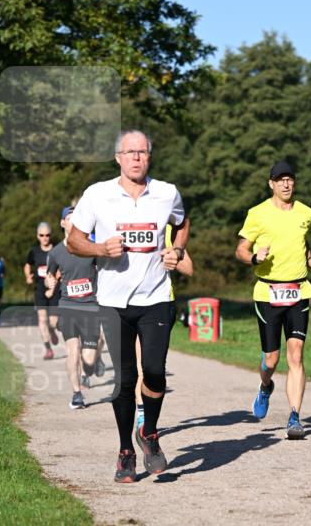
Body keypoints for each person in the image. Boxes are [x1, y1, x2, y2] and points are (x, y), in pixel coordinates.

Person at [68, 130, 189, 482]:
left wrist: (177, 251)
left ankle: (148, 432)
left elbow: (182, 224)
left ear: (149, 157)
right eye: (129, 152)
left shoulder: (166, 193)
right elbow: (74, 240)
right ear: (118, 157)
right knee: (125, 379)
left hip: (155, 297)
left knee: (153, 371)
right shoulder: (98, 194)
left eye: (142, 152)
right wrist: (99, 250)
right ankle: (125, 452)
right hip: (112, 301)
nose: (136, 158)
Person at [235, 159, 311, 439]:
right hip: (268, 292)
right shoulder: (257, 213)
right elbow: (240, 249)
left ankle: (295, 418)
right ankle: (265, 386)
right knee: (271, 361)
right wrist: (253, 258)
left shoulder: (305, 212)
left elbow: (301, 243)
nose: (286, 183)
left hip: (299, 291)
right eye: (280, 179)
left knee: (296, 354)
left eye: (290, 179)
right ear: (271, 184)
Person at [135, 224, 193, 429]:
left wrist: (171, 257)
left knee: (152, 367)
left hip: (161, 305)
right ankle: (142, 415)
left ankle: (145, 416)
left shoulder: (168, 230)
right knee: (138, 365)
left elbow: (189, 268)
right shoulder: (124, 222)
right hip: (130, 303)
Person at [45, 206, 102, 410]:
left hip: (90, 307)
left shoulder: (92, 247)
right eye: (70, 219)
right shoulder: (56, 252)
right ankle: (77, 394)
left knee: (88, 358)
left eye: (77, 218)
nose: (74, 222)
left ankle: (92, 365)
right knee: (73, 351)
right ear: (62, 223)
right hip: (68, 306)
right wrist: (50, 284)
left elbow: (104, 271)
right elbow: (49, 276)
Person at [24, 222, 60, 360]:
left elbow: (61, 269)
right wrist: (28, 276)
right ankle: (48, 349)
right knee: (42, 319)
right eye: (42, 235)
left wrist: (53, 286)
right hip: (39, 289)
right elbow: (27, 265)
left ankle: (52, 330)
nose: (45, 238)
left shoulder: (57, 250)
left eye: (47, 235)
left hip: (55, 289)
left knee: (53, 321)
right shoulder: (34, 252)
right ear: (37, 236)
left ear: (50, 235)